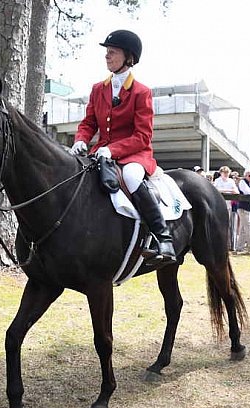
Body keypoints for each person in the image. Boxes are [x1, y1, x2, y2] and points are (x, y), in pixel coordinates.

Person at [68, 29, 175, 266]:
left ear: (128, 57)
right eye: (106, 52)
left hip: (134, 155)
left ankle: (163, 238)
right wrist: (81, 139)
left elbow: (143, 136)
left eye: (112, 52)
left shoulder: (141, 91)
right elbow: (89, 123)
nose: (107, 56)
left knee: (132, 178)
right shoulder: (98, 88)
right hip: (101, 152)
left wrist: (114, 150)